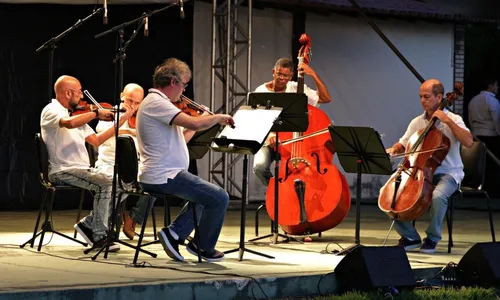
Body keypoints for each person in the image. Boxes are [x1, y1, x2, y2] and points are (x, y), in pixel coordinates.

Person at [136, 58, 234, 262]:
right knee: (220, 197)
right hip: (163, 175)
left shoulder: (159, 104)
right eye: (183, 84)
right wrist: (216, 117)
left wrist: (203, 120)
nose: (183, 90)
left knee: (207, 196)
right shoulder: (157, 102)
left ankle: (174, 234)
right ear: (173, 82)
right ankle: (202, 247)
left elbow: (186, 133)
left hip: (165, 173)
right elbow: (194, 123)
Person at [40, 75, 134, 251]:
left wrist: (123, 118)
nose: (82, 97)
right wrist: (96, 113)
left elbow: (97, 140)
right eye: (78, 92)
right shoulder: (52, 110)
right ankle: (98, 236)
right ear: (68, 93)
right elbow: (68, 124)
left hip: (82, 170)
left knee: (123, 184)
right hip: (62, 170)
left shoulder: (77, 115)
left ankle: (88, 224)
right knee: (106, 183)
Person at [385, 79, 473, 253]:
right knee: (390, 193)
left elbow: (469, 142)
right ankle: (410, 237)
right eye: (420, 97)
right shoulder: (417, 122)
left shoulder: (454, 119)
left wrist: (447, 121)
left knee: (438, 196)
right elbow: (403, 143)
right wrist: (394, 150)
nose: (422, 101)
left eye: (426, 97)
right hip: (420, 172)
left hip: (448, 173)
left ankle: (432, 238)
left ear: (439, 97)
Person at [253, 57, 332, 186]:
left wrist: (312, 74)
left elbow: (325, 98)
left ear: (291, 76)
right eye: (279, 74)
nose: (282, 78)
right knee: (259, 167)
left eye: (286, 75)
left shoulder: (296, 88)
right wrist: (270, 135)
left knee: (302, 169)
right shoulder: (261, 91)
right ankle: (278, 191)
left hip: (291, 143)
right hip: (268, 141)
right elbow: (255, 121)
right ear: (273, 72)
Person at [94, 83, 147, 240]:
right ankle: (98, 226)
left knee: (158, 180)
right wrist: (127, 130)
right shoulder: (109, 113)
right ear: (122, 95)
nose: (132, 105)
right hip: (109, 164)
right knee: (114, 183)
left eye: (137, 103)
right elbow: (102, 134)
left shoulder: (142, 119)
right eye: (129, 100)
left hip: (134, 168)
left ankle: (133, 218)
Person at [468, 77, 500, 198]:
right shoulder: (492, 101)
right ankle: (491, 191)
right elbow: (497, 122)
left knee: (479, 165)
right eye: (496, 85)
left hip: (476, 137)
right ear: (490, 86)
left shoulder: (473, 100)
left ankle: (476, 190)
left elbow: (471, 120)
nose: (497, 88)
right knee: (490, 167)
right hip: (491, 137)